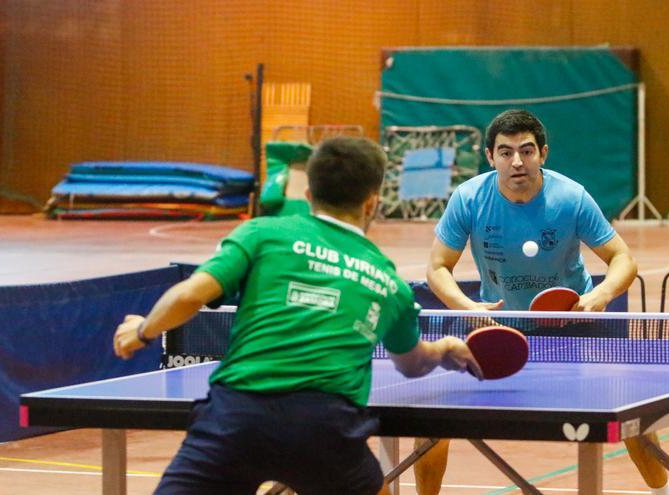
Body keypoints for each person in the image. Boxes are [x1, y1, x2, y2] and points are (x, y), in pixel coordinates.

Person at [113, 136, 482, 495]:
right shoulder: (388, 281)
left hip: (237, 415)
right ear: (372, 203)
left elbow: (191, 293)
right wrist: (444, 348)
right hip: (323, 428)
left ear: (308, 196)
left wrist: (143, 330)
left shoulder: (262, 234)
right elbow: (412, 364)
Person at [416, 109, 669, 495]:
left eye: (526, 150)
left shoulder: (570, 198)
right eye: (505, 152)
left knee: (632, 413)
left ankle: (663, 493)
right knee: (430, 421)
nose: (517, 161)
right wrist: (466, 306)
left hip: (575, 325)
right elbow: (437, 267)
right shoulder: (469, 199)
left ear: (543, 153)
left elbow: (623, 259)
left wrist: (600, 295)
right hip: (499, 328)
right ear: (490, 157)